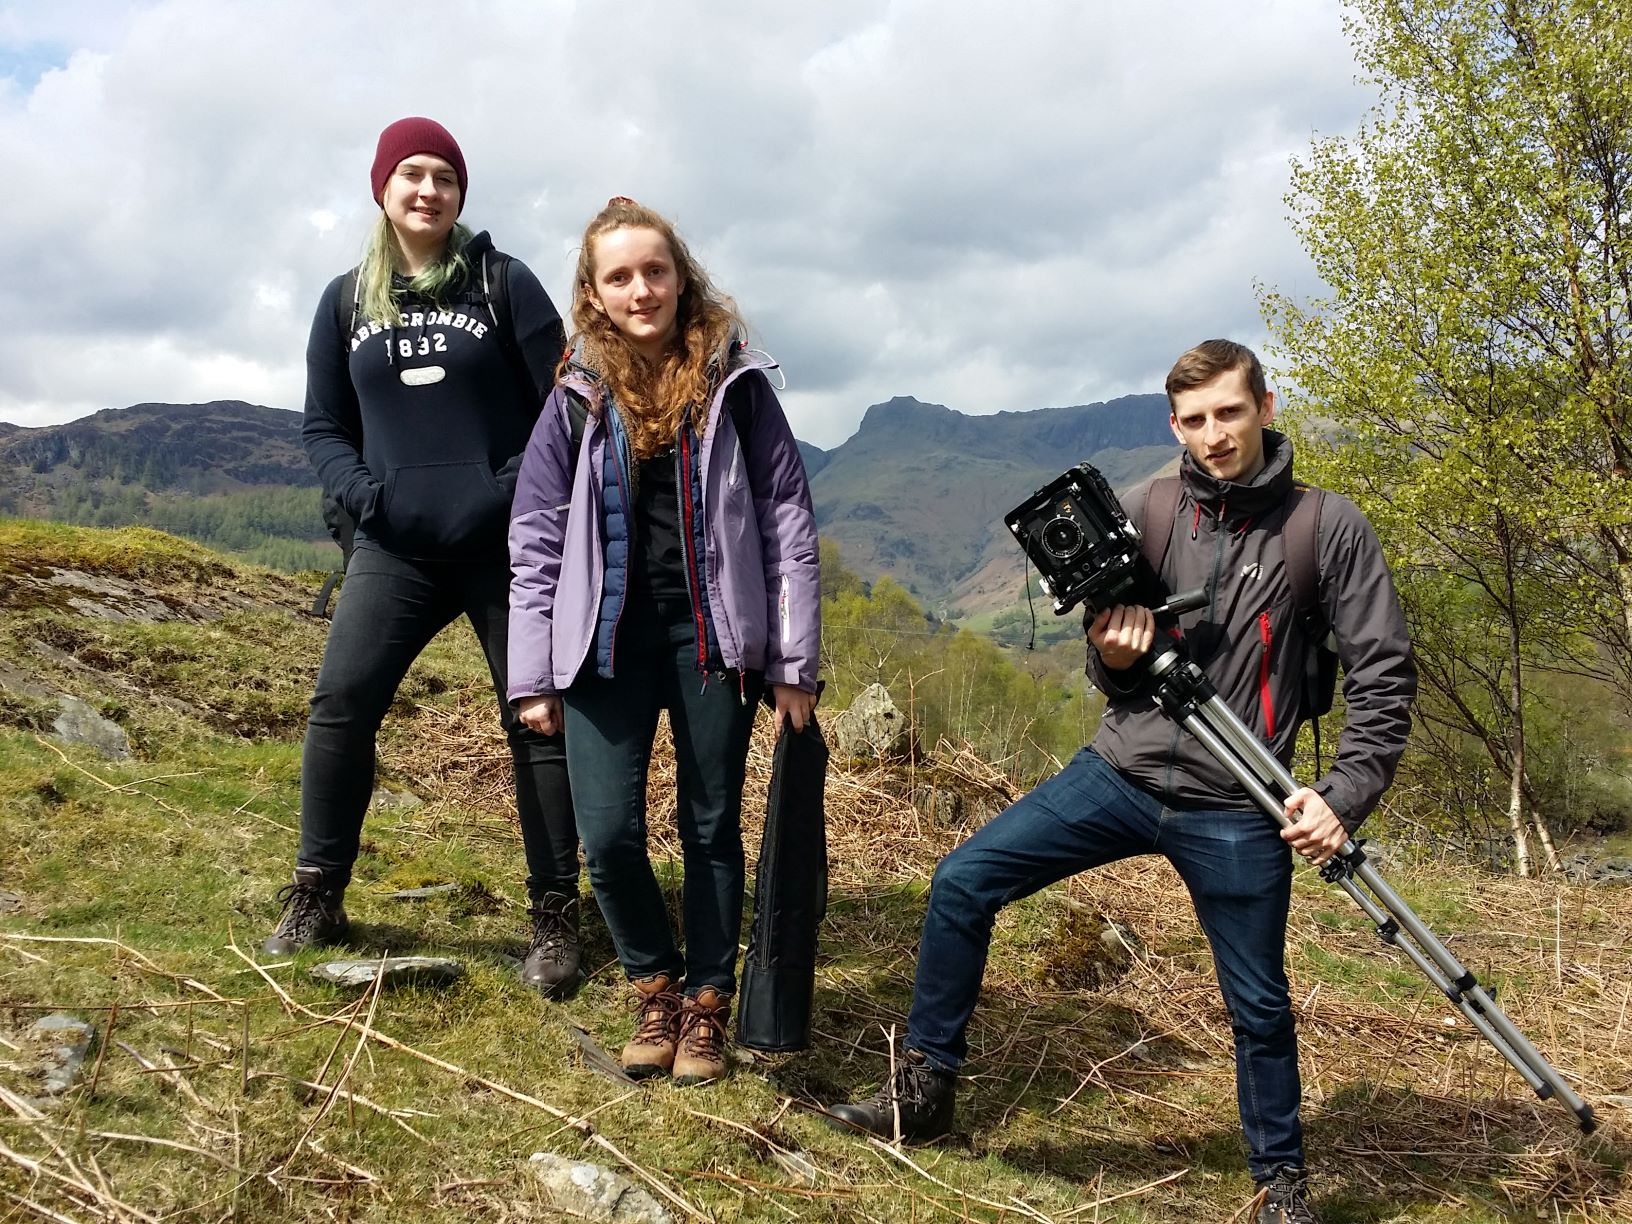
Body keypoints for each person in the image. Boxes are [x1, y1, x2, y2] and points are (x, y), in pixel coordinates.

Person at [826, 340, 1416, 1224]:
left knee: (1257, 1000)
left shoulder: (1324, 527)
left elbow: (1384, 675)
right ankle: (925, 1094)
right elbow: (1110, 664)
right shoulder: (1146, 507)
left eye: (1229, 412)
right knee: (961, 882)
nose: (1213, 435)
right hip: (1121, 770)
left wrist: (1341, 795)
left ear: (1263, 404)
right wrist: (1106, 656)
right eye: (1194, 419)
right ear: (1172, 423)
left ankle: (1279, 1185)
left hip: (1240, 800)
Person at [265, 117, 583, 1000]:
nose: (428, 190)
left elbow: (568, 402)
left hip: (501, 546)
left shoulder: (503, 283)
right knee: (339, 705)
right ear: (383, 187)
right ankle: (318, 892)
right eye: (412, 174)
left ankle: (557, 914)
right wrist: (369, 499)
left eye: (445, 176)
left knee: (536, 720)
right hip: (393, 547)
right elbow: (323, 425)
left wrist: (504, 490)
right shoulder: (344, 301)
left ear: (459, 195)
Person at [508, 197, 820, 1084]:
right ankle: (653, 983)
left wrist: (794, 663)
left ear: (682, 277)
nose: (641, 289)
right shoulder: (574, 395)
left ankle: (707, 1003)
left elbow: (787, 522)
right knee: (605, 836)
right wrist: (533, 674)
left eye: (655, 270)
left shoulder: (738, 383)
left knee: (712, 826)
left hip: (709, 640)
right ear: (593, 294)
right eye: (620, 277)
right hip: (601, 646)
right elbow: (534, 534)